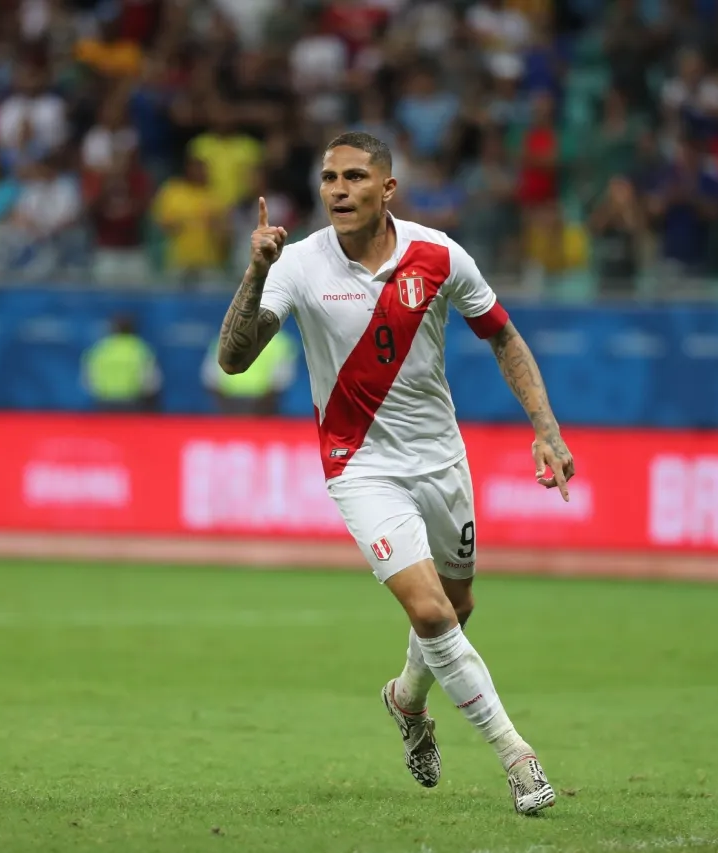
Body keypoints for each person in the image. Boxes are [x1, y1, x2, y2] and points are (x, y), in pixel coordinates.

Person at [214, 131, 575, 815]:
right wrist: (255, 271)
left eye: (354, 177)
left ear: (387, 190)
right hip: (361, 464)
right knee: (432, 609)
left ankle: (406, 698)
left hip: (441, 459)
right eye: (328, 178)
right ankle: (517, 754)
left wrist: (546, 428)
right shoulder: (295, 263)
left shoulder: (438, 255)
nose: (338, 190)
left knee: (459, 605)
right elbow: (234, 360)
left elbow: (502, 333)